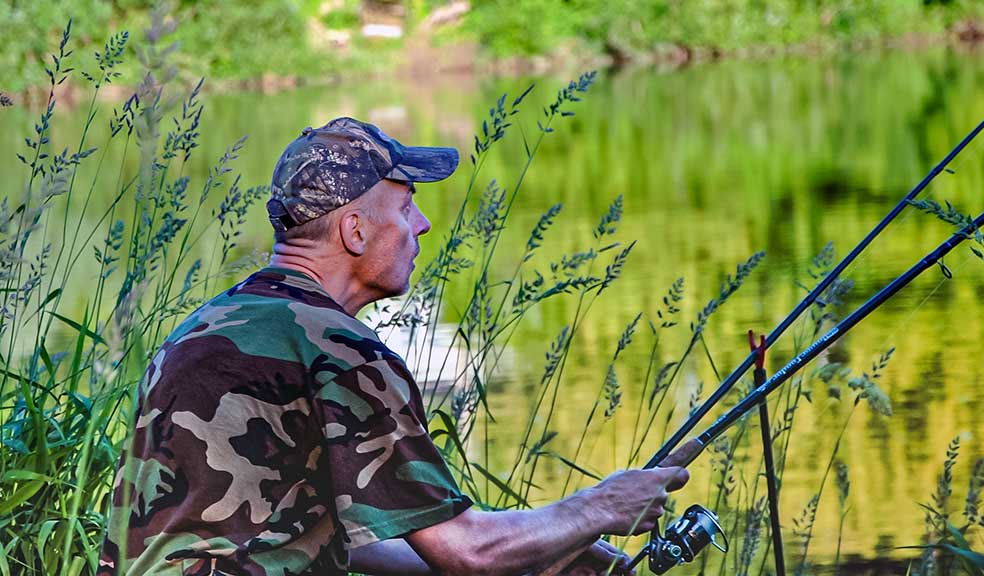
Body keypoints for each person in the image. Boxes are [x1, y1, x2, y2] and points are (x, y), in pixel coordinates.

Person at [99, 117, 696, 575]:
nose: (424, 226)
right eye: (407, 206)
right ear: (355, 231)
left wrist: (547, 553)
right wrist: (601, 506)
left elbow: (301, 539)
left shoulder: (205, 327)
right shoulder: (339, 349)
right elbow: (469, 553)